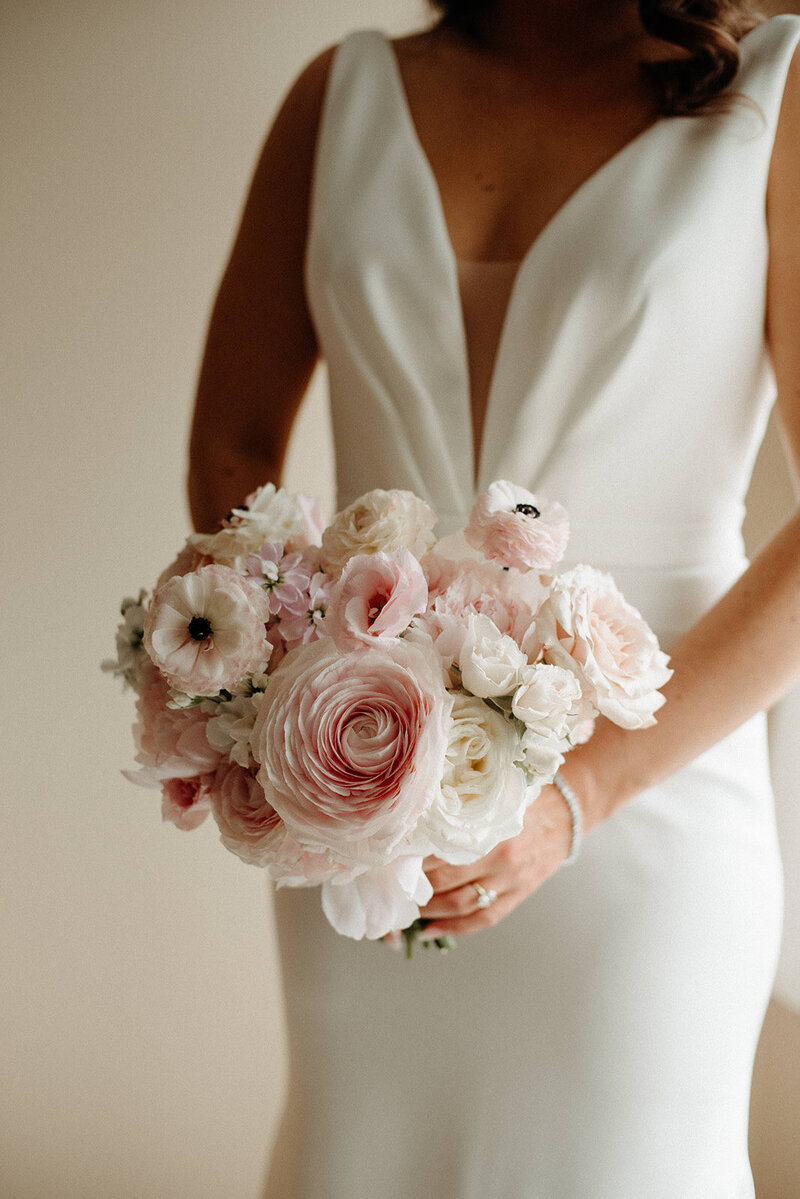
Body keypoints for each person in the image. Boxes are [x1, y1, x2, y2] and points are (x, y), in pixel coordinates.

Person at [188, 1, 800, 1195]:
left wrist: (580, 791)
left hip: (651, 796)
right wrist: (288, 685)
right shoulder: (340, 94)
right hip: (363, 806)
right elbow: (230, 441)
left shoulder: (778, 92)